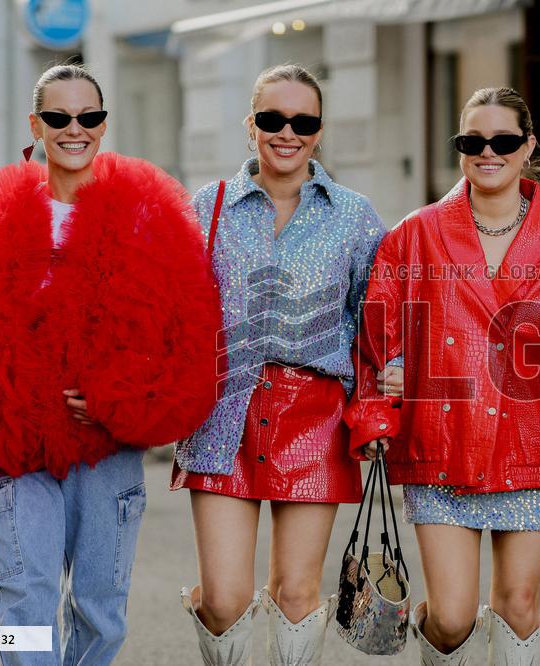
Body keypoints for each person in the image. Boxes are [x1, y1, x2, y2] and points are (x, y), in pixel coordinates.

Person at [0, 64, 221, 665]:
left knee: (101, 612)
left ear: (103, 122)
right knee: (25, 604)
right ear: (35, 125)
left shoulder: (145, 216)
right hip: (14, 447)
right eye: (59, 117)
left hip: (107, 446)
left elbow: (185, 331)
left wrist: (121, 399)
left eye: (89, 117)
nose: (76, 129)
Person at [346, 86, 540, 664]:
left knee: (519, 605)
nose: (488, 152)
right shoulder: (414, 235)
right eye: (472, 140)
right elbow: (375, 341)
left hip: (532, 446)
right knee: (451, 617)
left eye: (504, 140)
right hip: (442, 446)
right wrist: (378, 408)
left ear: (529, 145)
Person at [171, 64, 386, 665]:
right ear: (251, 126)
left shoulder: (355, 215)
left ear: (319, 132)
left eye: (303, 121)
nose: (286, 132)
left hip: (315, 419)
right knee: (225, 599)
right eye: (272, 119)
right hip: (222, 417)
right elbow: (171, 311)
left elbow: (380, 324)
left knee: (296, 594)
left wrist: (375, 410)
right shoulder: (207, 207)